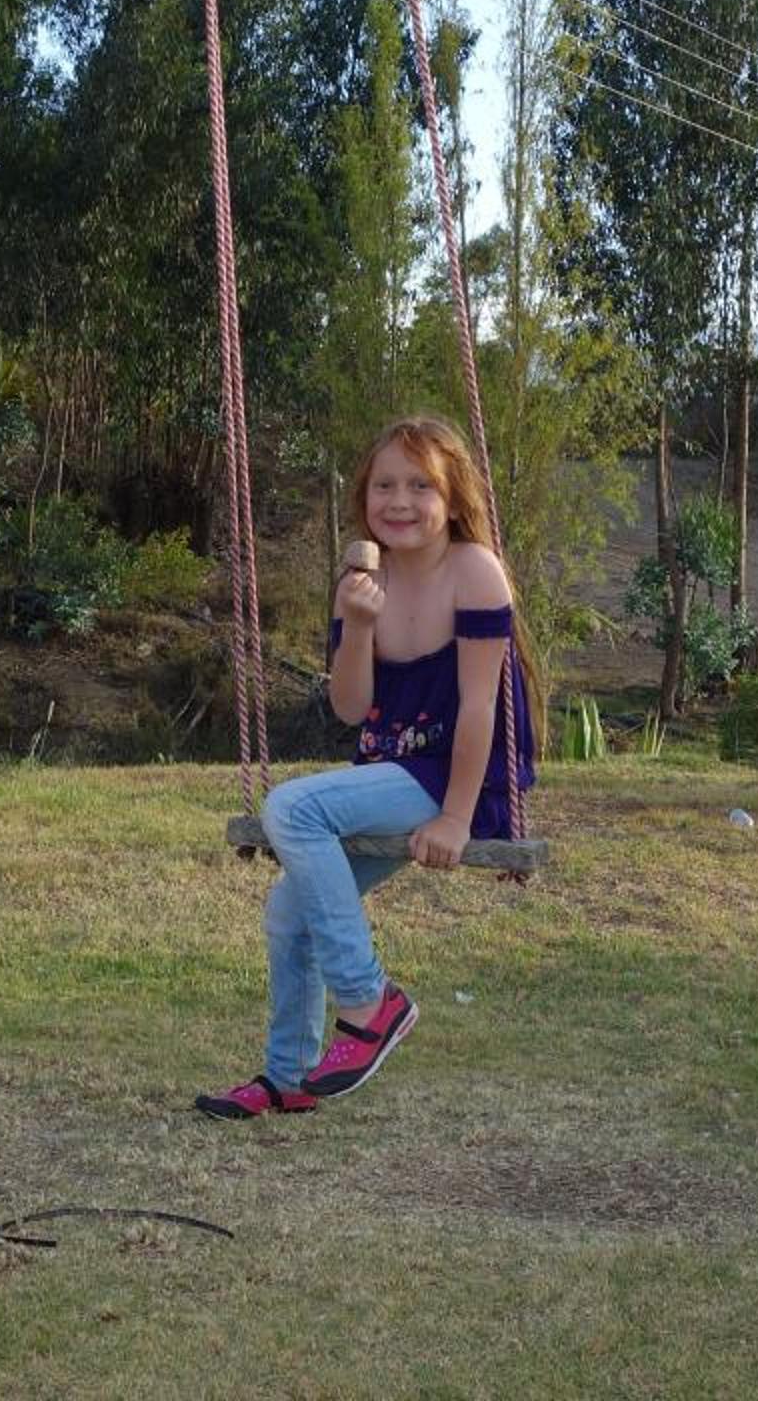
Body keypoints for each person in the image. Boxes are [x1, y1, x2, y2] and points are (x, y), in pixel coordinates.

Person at [195, 416, 537, 1121]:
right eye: (384, 485)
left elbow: (480, 707)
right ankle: (288, 1076)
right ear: (364, 497)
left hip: (455, 780)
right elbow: (352, 708)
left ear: (452, 497)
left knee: (292, 808)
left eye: (420, 486)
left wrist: (456, 818)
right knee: (288, 912)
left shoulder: (474, 571)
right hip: (390, 769)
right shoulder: (361, 581)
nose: (400, 501)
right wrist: (356, 623)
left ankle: (369, 1002)